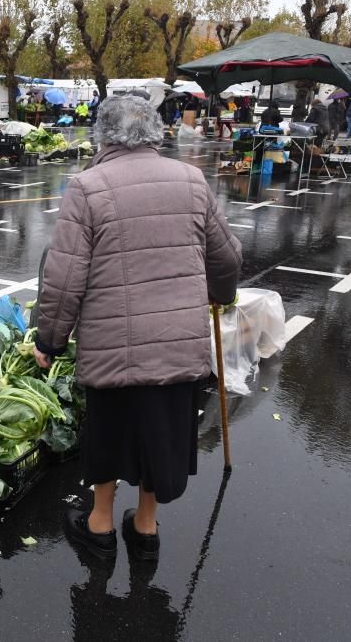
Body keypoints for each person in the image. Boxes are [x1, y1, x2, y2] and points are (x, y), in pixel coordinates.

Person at [32, 95, 242, 563]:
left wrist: (50, 339)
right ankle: (145, 528)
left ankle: (100, 525)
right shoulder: (191, 180)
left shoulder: (88, 187)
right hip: (177, 344)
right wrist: (222, 295)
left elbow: (65, 279)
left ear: (102, 135)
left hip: (114, 346)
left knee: (109, 433)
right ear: (155, 131)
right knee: (160, 432)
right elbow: (226, 258)